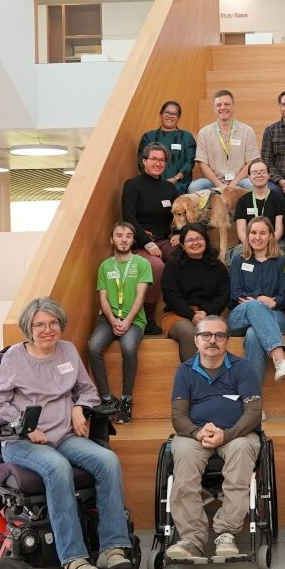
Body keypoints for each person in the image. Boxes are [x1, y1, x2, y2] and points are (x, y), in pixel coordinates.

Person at [0, 297, 132, 569]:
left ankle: (112, 549)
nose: (47, 330)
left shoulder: (68, 351)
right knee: (58, 468)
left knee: (108, 460)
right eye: (39, 325)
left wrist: (79, 408)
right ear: (29, 328)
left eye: (53, 323)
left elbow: (87, 390)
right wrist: (24, 426)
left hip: (64, 436)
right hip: (23, 443)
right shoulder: (15, 358)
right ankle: (73, 559)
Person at [165, 316, 263, 560]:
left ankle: (226, 533)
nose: (212, 340)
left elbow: (253, 412)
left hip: (237, 434)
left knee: (242, 450)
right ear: (196, 340)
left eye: (219, 335)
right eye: (206, 335)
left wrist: (226, 435)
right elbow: (178, 416)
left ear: (227, 341)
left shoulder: (243, 368)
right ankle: (191, 539)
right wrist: (197, 432)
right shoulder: (185, 371)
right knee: (184, 455)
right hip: (195, 435)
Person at [87, 222, 153, 424]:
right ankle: (107, 398)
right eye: (119, 235)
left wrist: (127, 321)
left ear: (133, 240)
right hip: (108, 318)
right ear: (112, 239)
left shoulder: (142, 263)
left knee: (128, 347)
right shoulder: (105, 266)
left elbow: (141, 296)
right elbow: (103, 298)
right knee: (93, 347)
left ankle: (126, 400)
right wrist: (113, 320)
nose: (124, 239)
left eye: (128, 236)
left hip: (134, 318)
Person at [228, 216, 285, 384]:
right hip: (240, 316)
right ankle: (280, 359)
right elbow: (236, 294)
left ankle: (252, 395)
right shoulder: (238, 260)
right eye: (253, 233)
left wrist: (259, 300)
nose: (257, 237)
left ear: (271, 236)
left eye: (262, 233)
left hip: (275, 315)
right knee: (253, 305)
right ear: (247, 235)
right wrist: (260, 299)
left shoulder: (280, 261)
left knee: (253, 334)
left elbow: (282, 297)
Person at [122, 142, 178, 335]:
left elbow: (178, 215)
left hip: (165, 240)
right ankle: (148, 317)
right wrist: (147, 242)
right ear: (144, 161)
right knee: (156, 266)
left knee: (182, 258)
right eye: (153, 159)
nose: (158, 163)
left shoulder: (169, 188)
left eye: (162, 160)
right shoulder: (132, 185)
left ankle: (181, 309)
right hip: (141, 241)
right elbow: (128, 216)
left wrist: (179, 233)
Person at [160, 222, 230, 362]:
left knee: (216, 333)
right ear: (182, 245)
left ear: (206, 241)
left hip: (208, 314)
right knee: (189, 332)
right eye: (190, 240)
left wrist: (206, 312)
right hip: (178, 314)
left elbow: (223, 295)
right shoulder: (173, 265)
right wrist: (191, 314)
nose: (195, 243)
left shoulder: (218, 267)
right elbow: (171, 296)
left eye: (199, 238)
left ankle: (214, 373)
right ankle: (193, 375)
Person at [190, 89, 262, 192]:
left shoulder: (247, 131)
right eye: (219, 105)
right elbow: (202, 164)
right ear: (214, 108)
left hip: (241, 180)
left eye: (227, 104)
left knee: (253, 185)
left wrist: (232, 184)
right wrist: (219, 185)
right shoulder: (204, 133)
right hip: (213, 181)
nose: (223, 107)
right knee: (194, 187)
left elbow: (251, 162)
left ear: (233, 106)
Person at [232, 161, 285, 261]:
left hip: (273, 241)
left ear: (268, 176)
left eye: (263, 172)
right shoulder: (243, 200)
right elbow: (241, 231)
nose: (259, 175)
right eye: (254, 173)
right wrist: (252, 245)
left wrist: (265, 244)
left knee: (280, 254)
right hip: (248, 242)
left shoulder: (278, 199)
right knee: (237, 254)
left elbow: (279, 230)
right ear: (249, 177)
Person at [138, 100, 197, 194]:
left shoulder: (186, 137)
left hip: (180, 187)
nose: (170, 116)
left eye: (174, 114)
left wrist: (176, 179)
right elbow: (141, 162)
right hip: (153, 187)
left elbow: (190, 162)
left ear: (178, 117)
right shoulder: (148, 136)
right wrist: (154, 182)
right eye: (167, 112)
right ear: (161, 114)